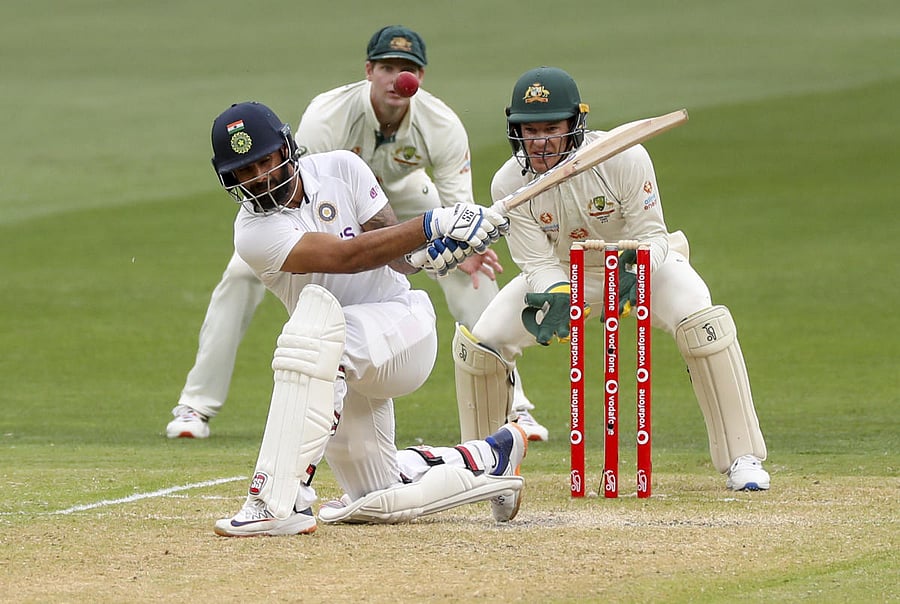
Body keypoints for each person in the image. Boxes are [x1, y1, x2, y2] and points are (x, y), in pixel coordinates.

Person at [165, 25, 546, 442]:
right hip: (334, 198)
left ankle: (516, 408)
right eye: (387, 67)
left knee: (472, 274)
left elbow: (457, 205)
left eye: (408, 69)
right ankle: (195, 405)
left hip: (406, 196)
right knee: (240, 276)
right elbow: (296, 191)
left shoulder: (442, 124)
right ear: (368, 70)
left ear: (421, 78)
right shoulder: (328, 115)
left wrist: (464, 247)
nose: (397, 78)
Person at [206, 100, 527, 537]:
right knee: (376, 498)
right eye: (244, 172)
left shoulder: (342, 168)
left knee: (315, 333)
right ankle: (492, 457)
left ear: (286, 150)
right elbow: (350, 256)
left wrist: (438, 249)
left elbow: (399, 259)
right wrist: (434, 222)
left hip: (401, 329)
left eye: (265, 161)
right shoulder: (253, 232)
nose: (259, 178)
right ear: (231, 180)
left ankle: (277, 501)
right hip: (335, 369)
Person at [451, 66, 770, 491]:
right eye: (529, 130)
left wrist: (635, 266)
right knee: (484, 343)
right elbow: (536, 261)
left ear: (574, 125)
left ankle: (742, 458)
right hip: (566, 272)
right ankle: (482, 467)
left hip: (639, 265)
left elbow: (655, 235)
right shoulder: (509, 182)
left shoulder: (624, 156)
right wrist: (556, 294)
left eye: (551, 128)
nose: (540, 141)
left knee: (703, 321)